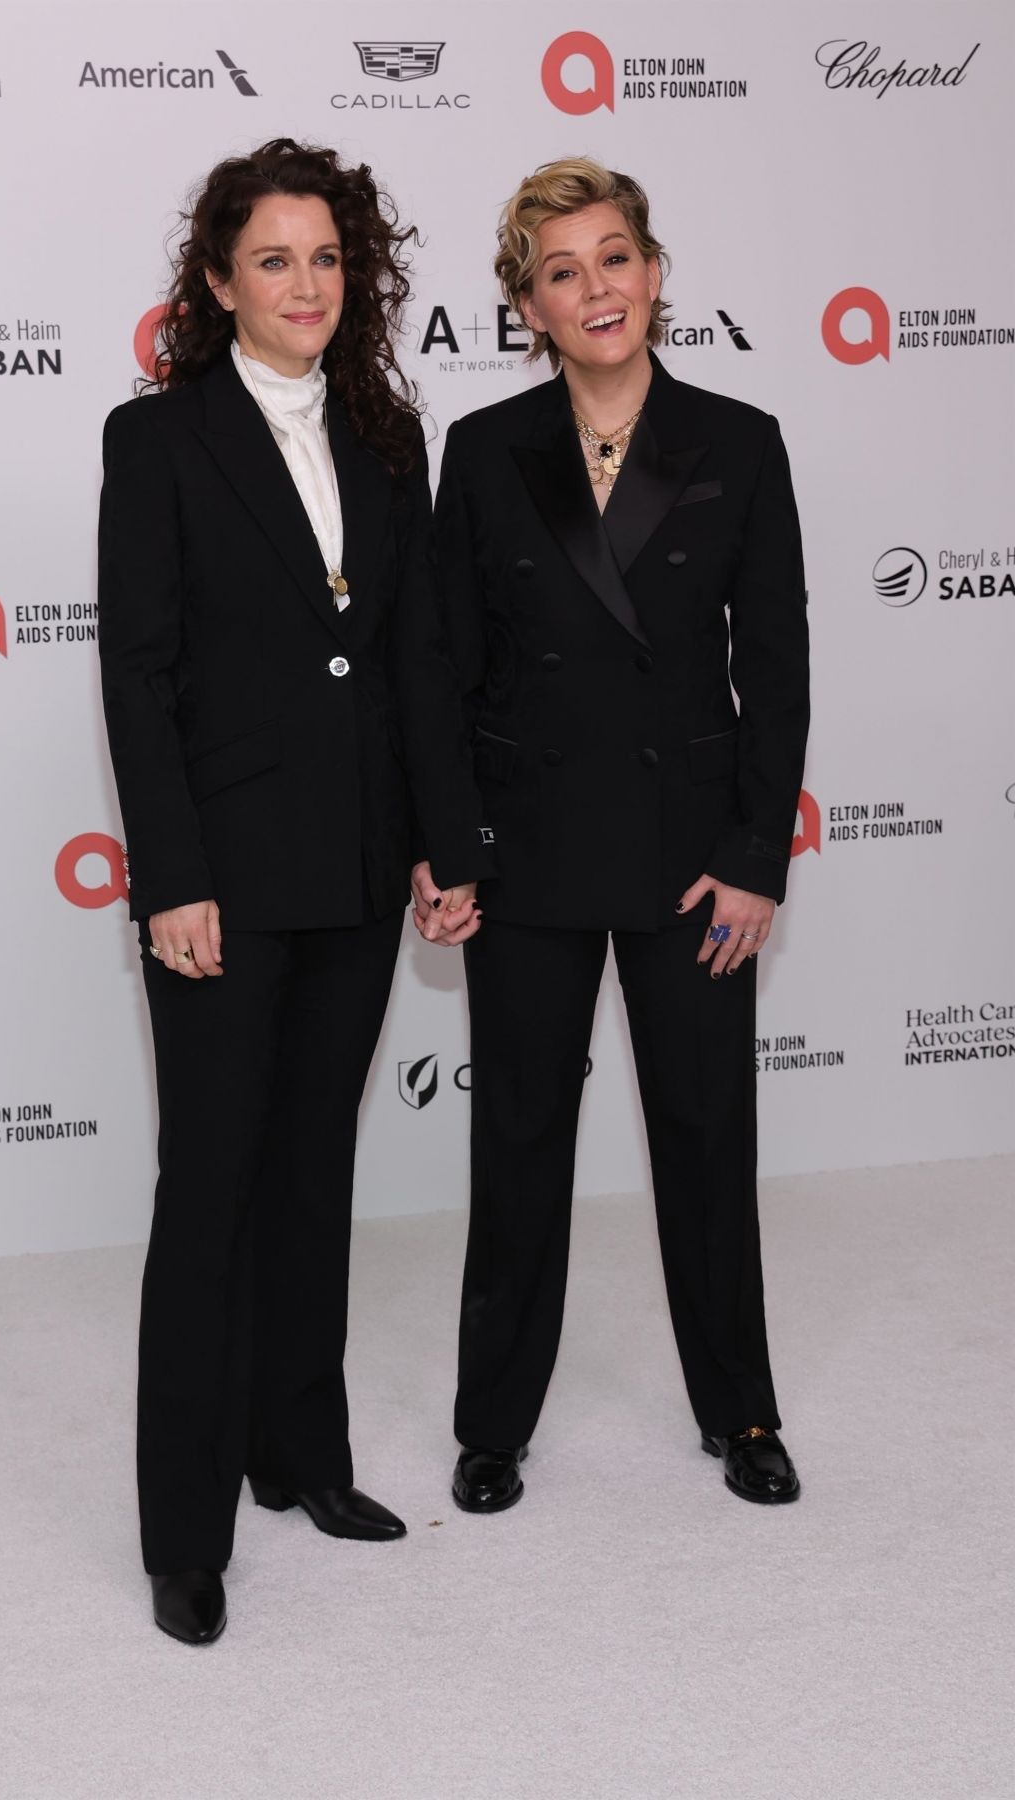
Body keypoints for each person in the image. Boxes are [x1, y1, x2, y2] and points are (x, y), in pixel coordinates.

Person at [98, 138, 490, 1644]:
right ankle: (183, 1532)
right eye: (273, 258)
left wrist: (443, 849)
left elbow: (409, 665)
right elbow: (137, 678)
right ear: (218, 282)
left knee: (315, 1178)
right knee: (209, 1195)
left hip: (354, 869)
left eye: (327, 257)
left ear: (358, 274)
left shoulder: (392, 438)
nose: (305, 283)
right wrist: (171, 880)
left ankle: (300, 1458)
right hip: (222, 887)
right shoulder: (158, 440)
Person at [415, 157, 809, 1515]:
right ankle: (492, 1423)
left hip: (694, 858)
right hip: (526, 850)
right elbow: (447, 667)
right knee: (518, 1139)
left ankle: (742, 1413)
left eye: (617, 258)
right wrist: (448, 844)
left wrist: (760, 855)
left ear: (656, 272)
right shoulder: (480, 452)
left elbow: (778, 664)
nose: (599, 289)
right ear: (527, 304)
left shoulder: (741, 439)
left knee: (708, 1136)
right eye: (564, 270)